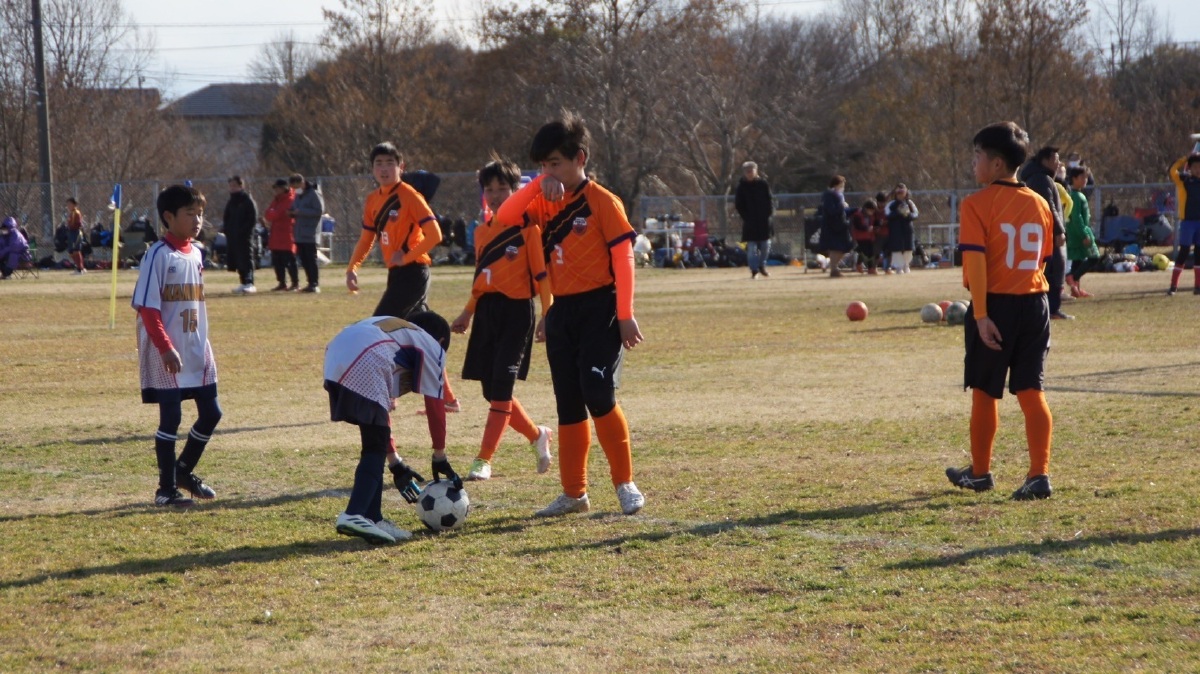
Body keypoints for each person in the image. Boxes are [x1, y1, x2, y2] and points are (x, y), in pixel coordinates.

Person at [493, 111, 646, 517]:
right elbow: (504, 216)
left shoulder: (603, 201)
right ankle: (574, 493)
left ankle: (624, 482)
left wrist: (625, 313)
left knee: (598, 394)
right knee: (569, 403)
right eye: (543, 165)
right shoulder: (542, 201)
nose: (549, 172)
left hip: (601, 309)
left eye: (556, 163)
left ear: (580, 158)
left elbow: (624, 259)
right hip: (562, 312)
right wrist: (534, 185)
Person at [946, 121, 1055, 501]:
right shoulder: (1040, 202)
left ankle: (980, 473)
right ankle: (1039, 474)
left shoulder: (976, 204)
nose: (973, 163)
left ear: (995, 164)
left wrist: (981, 314)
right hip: (1035, 302)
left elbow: (976, 263)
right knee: (1031, 389)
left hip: (996, 303)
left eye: (977, 156)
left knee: (984, 391)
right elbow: (1044, 258)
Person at [450, 156, 555, 481]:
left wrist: (548, 314)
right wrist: (468, 311)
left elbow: (541, 276)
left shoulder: (528, 229)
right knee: (491, 391)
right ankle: (537, 435)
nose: (495, 195)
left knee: (500, 390)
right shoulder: (481, 232)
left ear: (516, 191)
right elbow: (481, 277)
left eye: (502, 188)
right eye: (490, 189)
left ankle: (483, 459)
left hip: (516, 314)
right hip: (486, 313)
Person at [323, 312, 462, 544]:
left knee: (374, 439)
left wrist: (395, 463)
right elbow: (435, 406)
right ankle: (354, 513)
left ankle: (373, 518)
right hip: (365, 357)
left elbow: (382, 415)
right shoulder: (430, 344)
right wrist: (440, 455)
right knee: (374, 446)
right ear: (440, 341)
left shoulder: (396, 336)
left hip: (334, 355)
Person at [346, 142, 461, 412]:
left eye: (390, 163)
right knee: (425, 335)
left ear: (401, 166)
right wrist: (352, 267)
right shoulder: (373, 200)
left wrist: (407, 256)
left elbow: (435, 235)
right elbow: (367, 238)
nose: (384, 169)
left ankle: (386, 392)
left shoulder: (410, 196)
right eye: (379, 163)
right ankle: (448, 399)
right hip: (398, 275)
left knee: (379, 328)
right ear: (372, 168)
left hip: (414, 273)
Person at [131, 185, 223, 508]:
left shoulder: (197, 253)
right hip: (166, 347)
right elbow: (148, 308)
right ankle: (165, 490)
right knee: (171, 417)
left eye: (200, 214)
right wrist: (165, 347)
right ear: (169, 217)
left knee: (212, 412)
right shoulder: (157, 255)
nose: (197, 220)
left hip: (196, 344)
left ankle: (183, 471)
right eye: (190, 214)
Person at [1020, 146, 1071, 319]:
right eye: (1055, 160)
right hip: (1047, 234)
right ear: (1045, 161)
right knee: (1054, 269)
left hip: (1039, 233)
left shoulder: (1036, 178)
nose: (1058, 163)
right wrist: (1058, 230)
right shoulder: (1041, 180)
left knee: (1051, 269)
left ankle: (1049, 309)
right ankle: (1051, 309)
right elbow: (1049, 206)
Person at [1166, 151, 1200, 296]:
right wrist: (1186, 158)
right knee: (1184, 252)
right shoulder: (1184, 180)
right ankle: (1173, 286)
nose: (1198, 170)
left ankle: (1198, 286)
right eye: (1195, 167)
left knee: (1199, 254)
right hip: (1187, 223)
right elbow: (1172, 170)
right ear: (1189, 168)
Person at [734, 161, 774, 280]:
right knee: (751, 248)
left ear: (756, 171)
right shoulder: (741, 187)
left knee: (766, 245)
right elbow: (739, 205)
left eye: (751, 171)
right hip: (750, 222)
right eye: (747, 171)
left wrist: (768, 214)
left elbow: (770, 200)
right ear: (744, 173)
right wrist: (746, 217)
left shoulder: (763, 184)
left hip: (764, 221)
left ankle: (762, 266)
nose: (749, 173)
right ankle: (754, 270)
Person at [1064, 167, 1100, 298]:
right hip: (1080, 233)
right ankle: (1072, 277)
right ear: (1074, 179)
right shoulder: (1075, 196)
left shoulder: (1077, 195)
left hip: (1075, 233)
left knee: (1077, 260)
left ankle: (1076, 289)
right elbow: (1076, 217)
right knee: (1094, 257)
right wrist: (1084, 234)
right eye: (1082, 177)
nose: (1085, 180)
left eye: (1086, 177)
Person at [289, 174, 324, 293]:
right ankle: (309, 282)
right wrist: (291, 212)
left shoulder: (313, 193)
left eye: (296, 186)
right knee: (304, 259)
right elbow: (294, 207)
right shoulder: (298, 195)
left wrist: (301, 211)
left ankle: (314, 283)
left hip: (310, 232)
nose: (295, 189)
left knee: (310, 259)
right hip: (299, 232)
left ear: (301, 182)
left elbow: (319, 210)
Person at [223, 176, 258, 294]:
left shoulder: (247, 200)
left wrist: (244, 231)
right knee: (237, 259)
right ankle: (243, 282)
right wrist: (227, 230)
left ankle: (250, 282)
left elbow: (252, 218)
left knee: (246, 258)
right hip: (233, 236)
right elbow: (227, 217)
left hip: (245, 237)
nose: (232, 188)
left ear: (241, 186)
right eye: (230, 186)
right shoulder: (231, 202)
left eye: (234, 185)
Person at [262, 178, 299, 292]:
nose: (276, 190)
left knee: (289, 260)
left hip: (287, 234)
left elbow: (276, 214)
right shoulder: (276, 200)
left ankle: (295, 283)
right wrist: (272, 213)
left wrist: (273, 212)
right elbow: (267, 214)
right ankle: (282, 283)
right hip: (276, 234)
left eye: (278, 188)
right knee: (277, 261)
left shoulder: (290, 199)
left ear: (284, 188)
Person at [819, 175, 853, 277]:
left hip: (841, 224)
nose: (842, 188)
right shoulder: (829, 195)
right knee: (835, 248)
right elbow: (831, 211)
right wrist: (841, 206)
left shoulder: (838, 195)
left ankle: (834, 267)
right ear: (835, 185)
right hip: (833, 226)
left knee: (846, 246)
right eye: (841, 185)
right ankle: (834, 269)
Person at [885, 183, 920, 274]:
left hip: (907, 229)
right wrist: (898, 212)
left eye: (902, 192)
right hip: (896, 229)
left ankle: (906, 265)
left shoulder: (910, 203)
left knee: (908, 248)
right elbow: (887, 215)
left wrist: (908, 214)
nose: (900, 194)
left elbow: (915, 214)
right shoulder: (891, 204)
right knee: (897, 249)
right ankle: (898, 266)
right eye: (898, 192)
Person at [850, 199, 878, 274]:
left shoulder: (871, 216)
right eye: (871, 210)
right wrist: (866, 228)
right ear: (866, 208)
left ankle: (867, 267)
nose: (872, 212)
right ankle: (865, 266)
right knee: (866, 251)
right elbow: (858, 226)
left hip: (869, 236)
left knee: (870, 251)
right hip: (860, 237)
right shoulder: (857, 215)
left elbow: (875, 223)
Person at [65, 197, 86, 274]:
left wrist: (71, 226)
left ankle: (80, 269)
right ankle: (80, 267)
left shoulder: (76, 213)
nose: (68, 206)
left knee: (76, 251)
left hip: (76, 233)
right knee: (71, 251)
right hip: (71, 233)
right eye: (67, 204)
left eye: (70, 204)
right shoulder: (71, 213)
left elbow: (78, 224)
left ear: (74, 204)